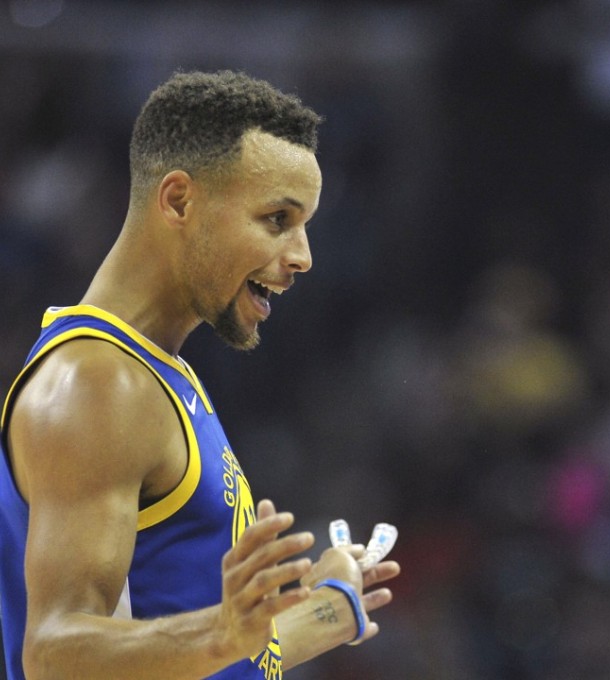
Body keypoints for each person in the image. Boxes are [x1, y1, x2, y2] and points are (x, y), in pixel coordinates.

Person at [0, 70, 399, 679]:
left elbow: (205, 656)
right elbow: (54, 654)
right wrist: (221, 630)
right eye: (276, 219)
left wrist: (331, 610)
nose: (302, 255)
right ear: (180, 200)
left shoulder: (157, 372)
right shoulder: (98, 383)